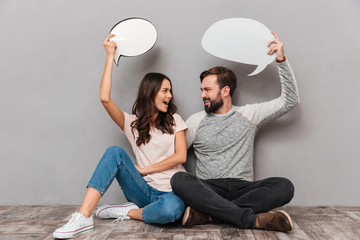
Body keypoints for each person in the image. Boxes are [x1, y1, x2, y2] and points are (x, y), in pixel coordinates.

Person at [53, 34, 187, 239]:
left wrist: (144, 169)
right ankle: (83, 217)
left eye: (170, 91)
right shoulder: (131, 124)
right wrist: (109, 56)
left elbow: (181, 157)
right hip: (142, 190)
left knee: (173, 212)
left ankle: (128, 212)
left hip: (171, 191)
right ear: (150, 92)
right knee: (114, 152)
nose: (169, 96)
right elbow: (105, 98)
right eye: (165, 91)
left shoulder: (175, 119)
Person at [170, 31, 300, 232]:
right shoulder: (196, 121)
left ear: (225, 91)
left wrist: (281, 60)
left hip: (243, 188)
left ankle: (210, 215)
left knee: (284, 186)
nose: (202, 95)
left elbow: (289, 100)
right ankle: (251, 220)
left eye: (207, 90)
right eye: (201, 90)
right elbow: (174, 154)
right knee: (179, 180)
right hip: (209, 188)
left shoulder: (250, 114)